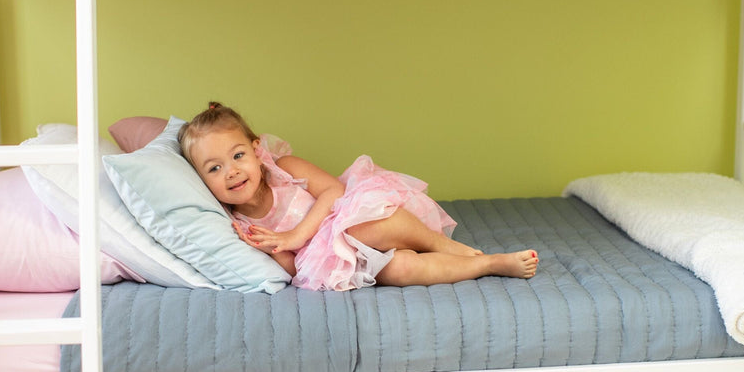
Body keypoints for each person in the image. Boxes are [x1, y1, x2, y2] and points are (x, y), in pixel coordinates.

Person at [178, 102, 539, 291]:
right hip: (344, 261)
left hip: (353, 223)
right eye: (214, 168)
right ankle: (489, 264)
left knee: (366, 223)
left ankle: (440, 244)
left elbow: (334, 192)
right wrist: (276, 249)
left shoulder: (284, 169)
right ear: (200, 180)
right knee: (400, 269)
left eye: (238, 156)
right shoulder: (238, 223)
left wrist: (296, 235)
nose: (231, 171)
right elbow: (293, 269)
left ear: (257, 150)